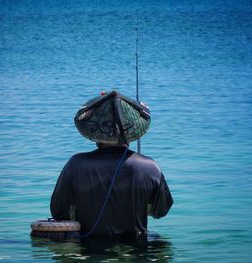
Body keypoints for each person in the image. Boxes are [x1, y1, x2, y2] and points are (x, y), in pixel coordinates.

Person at [50, 91, 173, 238]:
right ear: (131, 133)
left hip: (89, 251)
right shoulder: (150, 167)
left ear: (96, 134)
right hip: (137, 251)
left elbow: (58, 212)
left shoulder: (75, 165)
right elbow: (161, 211)